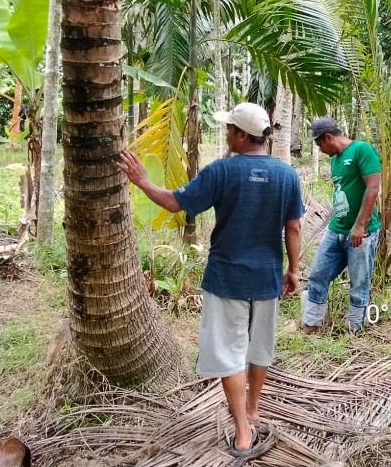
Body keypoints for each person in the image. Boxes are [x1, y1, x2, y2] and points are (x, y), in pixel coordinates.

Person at [117, 102, 304, 460]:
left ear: (241, 135)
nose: (227, 133)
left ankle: (243, 431)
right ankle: (252, 410)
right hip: (267, 278)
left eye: (230, 128)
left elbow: (175, 203)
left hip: (226, 278)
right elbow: (293, 227)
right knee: (259, 348)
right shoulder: (287, 175)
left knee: (229, 353)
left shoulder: (221, 171)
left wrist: (142, 181)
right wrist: (293, 270)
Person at [301, 117, 381, 333]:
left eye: (319, 144)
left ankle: (353, 330)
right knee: (317, 275)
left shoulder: (362, 150)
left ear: (328, 137)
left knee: (358, 284)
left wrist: (360, 225)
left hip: (362, 233)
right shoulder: (335, 159)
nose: (320, 149)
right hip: (336, 229)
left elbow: (373, 188)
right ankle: (311, 326)